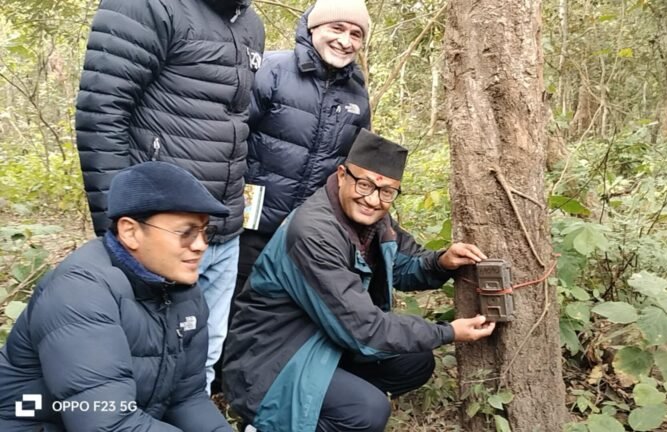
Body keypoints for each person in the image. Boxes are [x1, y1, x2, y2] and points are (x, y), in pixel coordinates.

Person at [223, 130, 496, 432]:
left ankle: (324, 407)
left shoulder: (376, 222)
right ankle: (269, 424)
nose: (372, 200)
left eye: (387, 192)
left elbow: (404, 267)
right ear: (342, 175)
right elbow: (364, 329)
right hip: (272, 360)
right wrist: (448, 332)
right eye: (364, 184)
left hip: (327, 341)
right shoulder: (313, 233)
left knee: (415, 361)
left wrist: (441, 262)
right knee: (366, 411)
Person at [75, 0, 265, 391]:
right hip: (158, 231)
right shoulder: (146, 6)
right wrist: (123, 224)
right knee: (138, 359)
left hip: (223, 228)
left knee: (202, 356)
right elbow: (101, 113)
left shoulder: (250, 25)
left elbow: (235, 122)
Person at [0, 162, 233, 432]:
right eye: (186, 232)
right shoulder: (80, 291)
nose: (201, 244)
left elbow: (186, 400)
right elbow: (107, 425)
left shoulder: (181, 291)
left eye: (205, 231)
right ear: (130, 231)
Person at [236, 0, 371, 294]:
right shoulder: (272, 70)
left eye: (356, 34)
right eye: (337, 28)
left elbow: (354, 169)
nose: (345, 41)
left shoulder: (357, 95)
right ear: (314, 28)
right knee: (238, 312)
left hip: (308, 236)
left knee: (284, 321)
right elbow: (231, 138)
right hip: (250, 228)